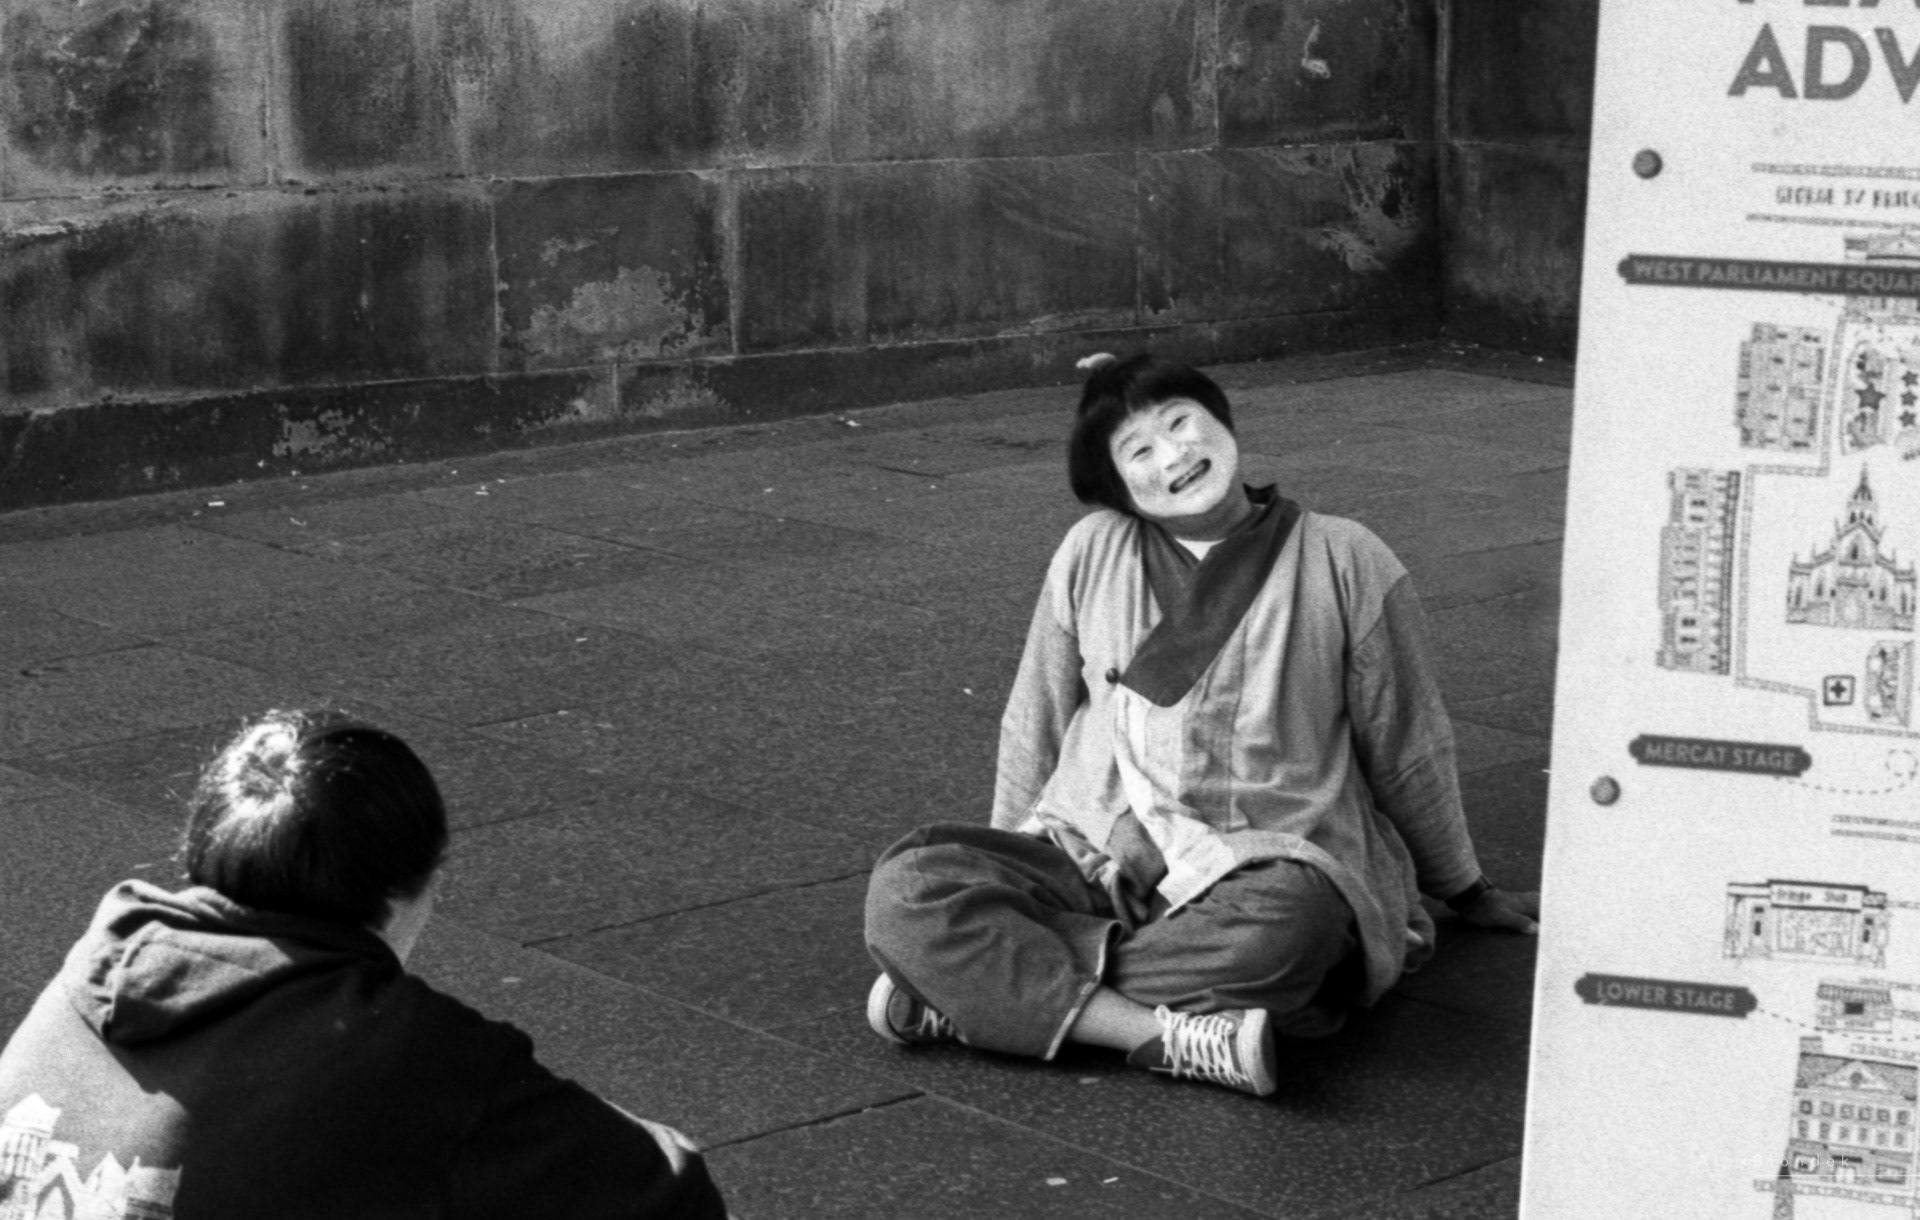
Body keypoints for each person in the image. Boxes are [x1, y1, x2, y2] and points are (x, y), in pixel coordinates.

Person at [863, 353, 1539, 1097]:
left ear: (1223, 422)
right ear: (1119, 488)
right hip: (1094, 857)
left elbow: (1408, 741)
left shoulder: (1345, 557)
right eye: (1140, 450)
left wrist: (1465, 887)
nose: (1175, 454)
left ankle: (979, 999)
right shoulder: (1093, 551)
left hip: (1259, 863)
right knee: (908, 885)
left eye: (1182, 422)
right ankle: (1156, 1033)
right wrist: (1015, 857)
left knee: (1295, 927)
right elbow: (1038, 713)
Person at [0, 709, 726, 1220]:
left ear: (202, 860)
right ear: (413, 889)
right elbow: (668, 1190)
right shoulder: (403, 1053)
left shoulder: (86, 983)